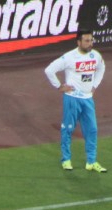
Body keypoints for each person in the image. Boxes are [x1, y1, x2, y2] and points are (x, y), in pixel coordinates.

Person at [44, 29, 105, 173]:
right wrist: (59, 86)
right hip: (72, 99)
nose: (90, 43)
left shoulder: (96, 55)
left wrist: (95, 85)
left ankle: (91, 162)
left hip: (88, 99)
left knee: (92, 130)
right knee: (68, 129)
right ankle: (66, 160)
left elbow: (102, 68)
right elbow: (49, 70)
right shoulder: (69, 57)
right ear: (79, 42)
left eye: (91, 40)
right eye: (87, 41)